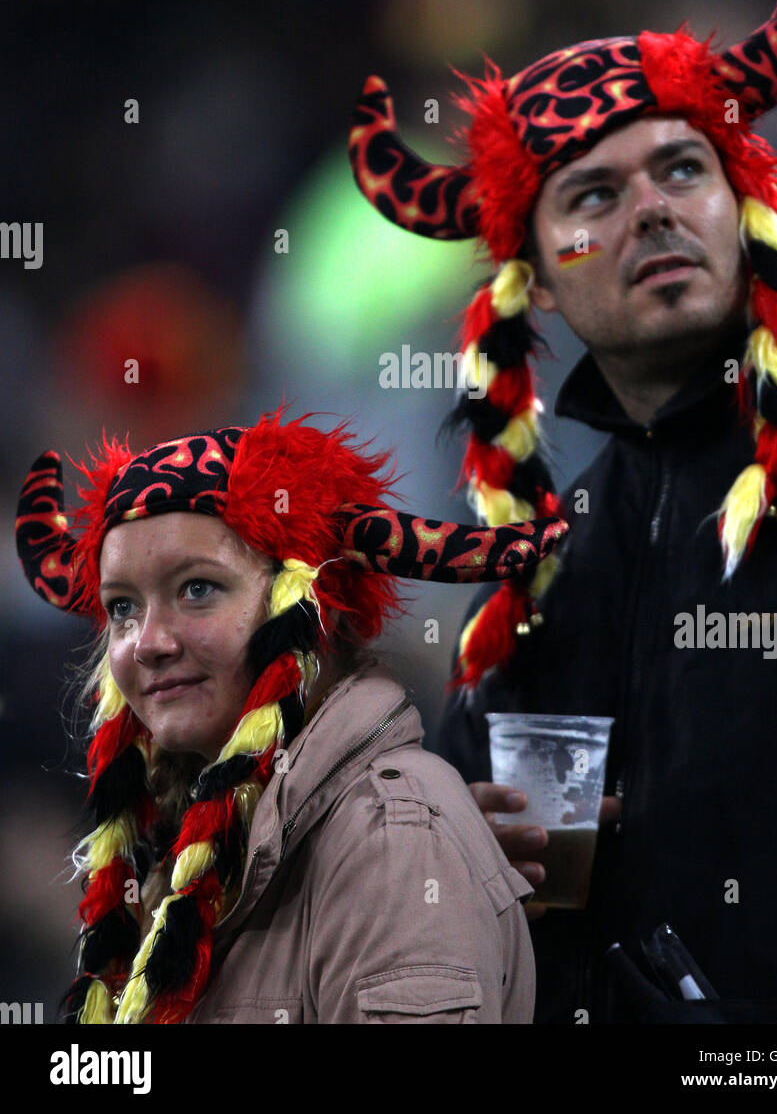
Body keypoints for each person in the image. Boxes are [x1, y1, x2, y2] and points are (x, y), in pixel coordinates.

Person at [348, 0, 777, 1023]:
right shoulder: (542, 567)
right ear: (532, 276)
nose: (650, 211)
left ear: (744, 204)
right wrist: (448, 855)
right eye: (592, 194)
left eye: (682, 171)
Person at [15, 407, 566, 1024]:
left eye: (197, 588)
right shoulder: (186, 840)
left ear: (310, 608)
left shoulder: (392, 843)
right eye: (122, 607)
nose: (147, 642)